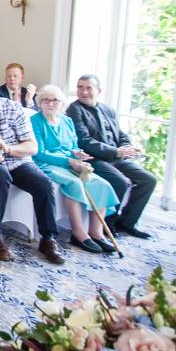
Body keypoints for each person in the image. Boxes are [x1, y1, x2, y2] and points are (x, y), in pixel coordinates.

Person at [0, 68, 64, 264]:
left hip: (16, 159)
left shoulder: (12, 108)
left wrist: (9, 149)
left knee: (43, 183)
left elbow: (32, 147)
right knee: (0, 177)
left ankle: (48, 238)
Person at [30, 85, 119, 254]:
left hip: (72, 162)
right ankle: (79, 234)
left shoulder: (67, 121)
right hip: (47, 164)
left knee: (100, 183)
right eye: (45, 100)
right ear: (40, 103)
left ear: (61, 103)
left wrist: (78, 154)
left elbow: (73, 145)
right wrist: (69, 161)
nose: (50, 104)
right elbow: (39, 153)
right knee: (74, 183)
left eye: (54, 100)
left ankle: (96, 233)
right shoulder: (35, 121)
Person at [65, 74, 156, 239]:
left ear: (98, 91)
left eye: (88, 88)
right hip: (94, 159)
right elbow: (84, 141)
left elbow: (120, 133)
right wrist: (116, 152)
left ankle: (127, 222)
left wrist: (126, 147)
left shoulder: (108, 109)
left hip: (117, 157)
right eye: (80, 87)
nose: (83, 92)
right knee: (120, 181)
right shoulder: (74, 110)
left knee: (148, 180)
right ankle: (107, 224)